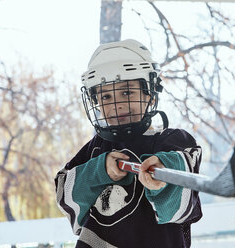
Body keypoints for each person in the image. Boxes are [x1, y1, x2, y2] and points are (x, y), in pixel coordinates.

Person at [55, 39, 202, 248]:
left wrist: (163, 174)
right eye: (105, 96)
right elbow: (66, 195)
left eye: (127, 92)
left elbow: (181, 207)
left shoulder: (173, 142)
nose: (118, 105)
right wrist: (99, 170)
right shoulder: (96, 148)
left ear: (150, 93)